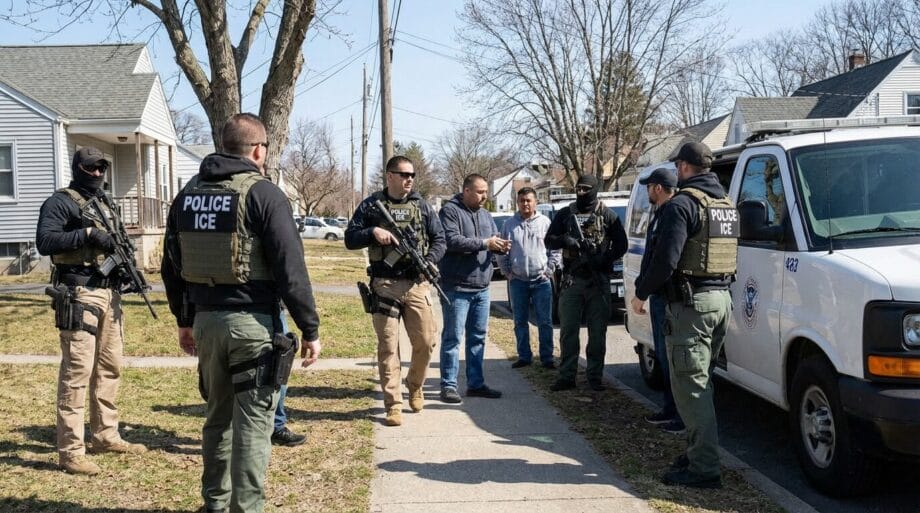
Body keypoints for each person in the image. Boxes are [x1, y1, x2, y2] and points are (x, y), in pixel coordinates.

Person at [161, 113, 322, 513]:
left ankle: (214, 504)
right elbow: (291, 268)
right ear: (257, 149)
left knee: (217, 419)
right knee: (253, 426)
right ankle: (246, 508)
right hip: (253, 326)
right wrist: (310, 328)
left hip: (206, 324)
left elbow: (171, 264)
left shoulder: (188, 194)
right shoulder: (264, 194)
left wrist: (185, 320)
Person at [35, 147, 148, 476]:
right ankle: (70, 451)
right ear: (78, 168)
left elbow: (117, 242)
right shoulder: (61, 201)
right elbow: (45, 241)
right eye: (91, 168)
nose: (97, 173)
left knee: (109, 368)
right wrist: (86, 234)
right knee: (76, 374)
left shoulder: (106, 203)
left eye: (102, 168)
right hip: (78, 291)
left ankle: (105, 434)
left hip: (108, 293)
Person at [632, 142, 737, 489]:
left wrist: (641, 292)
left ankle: (704, 468)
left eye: (678, 166)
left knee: (692, 390)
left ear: (685, 167)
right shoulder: (725, 204)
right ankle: (697, 453)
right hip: (721, 301)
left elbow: (666, 260)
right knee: (702, 382)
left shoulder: (682, 205)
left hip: (692, 307)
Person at [345, 155, 445, 427]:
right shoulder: (371, 206)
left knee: (425, 342)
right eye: (403, 174)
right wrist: (373, 231)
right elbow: (349, 238)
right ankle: (393, 404)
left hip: (416, 283)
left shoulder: (422, 206)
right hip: (384, 285)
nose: (409, 179)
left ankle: (415, 385)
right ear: (389, 176)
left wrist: (430, 262)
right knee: (388, 346)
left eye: (412, 174)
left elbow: (440, 240)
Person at [545, 175, 627, 392]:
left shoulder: (607, 215)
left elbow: (622, 244)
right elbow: (549, 240)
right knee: (568, 331)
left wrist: (605, 258)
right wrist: (565, 240)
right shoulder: (566, 213)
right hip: (573, 280)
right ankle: (567, 376)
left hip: (598, 280)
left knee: (598, 333)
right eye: (578, 188)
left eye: (585, 189)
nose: (581, 193)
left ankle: (595, 377)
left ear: (594, 190)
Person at [438, 174, 510, 403]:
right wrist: (484, 243)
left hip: (482, 287)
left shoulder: (486, 215)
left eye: (486, 192)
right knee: (453, 338)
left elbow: (491, 240)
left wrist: (499, 246)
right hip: (456, 287)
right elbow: (451, 240)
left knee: (478, 337)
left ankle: (476, 384)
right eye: (480, 192)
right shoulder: (450, 211)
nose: (484, 197)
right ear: (466, 190)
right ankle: (449, 385)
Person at [629, 168, 684, 435]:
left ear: (658, 188)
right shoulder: (660, 214)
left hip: (667, 297)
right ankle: (669, 410)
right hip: (660, 296)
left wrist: (642, 293)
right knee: (663, 356)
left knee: (670, 358)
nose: (647, 192)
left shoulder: (671, 213)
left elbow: (664, 262)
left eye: (649, 187)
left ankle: (677, 415)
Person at [497, 187, 560, 370]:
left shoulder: (545, 223)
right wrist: (508, 272)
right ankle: (524, 356)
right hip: (518, 281)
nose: (525, 204)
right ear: (517, 202)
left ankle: (547, 357)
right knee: (519, 321)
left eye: (529, 200)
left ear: (535, 202)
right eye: (522, 200)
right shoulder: (509, 224)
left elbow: (555, 250)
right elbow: (502, 252)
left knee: (545, 322)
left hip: (541, 281)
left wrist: (549, 270)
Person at [271, 310, 307, 446]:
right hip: (265, 308)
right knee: (279, 367)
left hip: (211, 310)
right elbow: (293, 289)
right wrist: (310, 330)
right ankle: (276, 426)